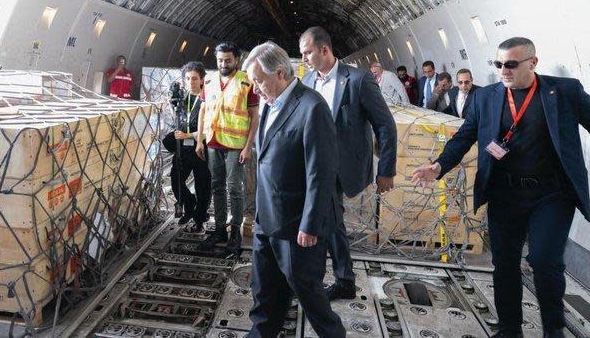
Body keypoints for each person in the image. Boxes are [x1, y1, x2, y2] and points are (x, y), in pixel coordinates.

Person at [412, 37, 590, 338]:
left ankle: (554, 330)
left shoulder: (564, 92)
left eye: (511, 64)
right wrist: (438, 166)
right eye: (498, 64)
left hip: (551, 195)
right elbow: (464, 137)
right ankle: (510, 330)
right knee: (504, 264)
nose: (503, 70)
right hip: (505, 194)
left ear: (533, 62)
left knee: (545, 261)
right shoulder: (487, 97)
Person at [243, 42, 346, 338]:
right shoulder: (269, 103)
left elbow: (321, 173)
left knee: (310, 296)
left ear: (280, 73)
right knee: (264, 295)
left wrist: (310, 224)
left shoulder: (311, 107)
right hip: (266, 219)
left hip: (296, 227)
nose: (256, 89)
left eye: (259, 81)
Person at [299, 26, 397, 301]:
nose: (304, 59)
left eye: (307, 53)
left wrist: (386, 170)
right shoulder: (307, 81)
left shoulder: (358, 79)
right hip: (312, 165)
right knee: (330, 221)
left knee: (326, 220)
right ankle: (340, 280)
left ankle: (331, 281)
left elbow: (385, 125)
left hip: (340, 165)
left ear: (324, 50)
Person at [196, 42, 260, 252]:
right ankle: (219, 229)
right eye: (220, 60)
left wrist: (248, 147)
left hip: (235, 145)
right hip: (213, 142)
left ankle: (235, 232)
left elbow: (254, 116)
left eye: (227, 60)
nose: (223, 64)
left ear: (237, 60)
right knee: (217, 187)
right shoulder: (210, 80)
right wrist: (199, 140)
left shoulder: (247, 82)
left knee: (234, 188)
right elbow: (203, 110)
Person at [162, 62, 211, 232]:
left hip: (201, 147)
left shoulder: (208, 99)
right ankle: (190, 206)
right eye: (188, 79)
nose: (191, 82)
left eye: (195, 78)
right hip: (183, 148)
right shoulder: (181, 100)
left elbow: (210, 129)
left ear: (202, 80)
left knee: (202, 186)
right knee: (176, 180)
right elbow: (179, 122)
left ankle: (199, 219)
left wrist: (189, 136)